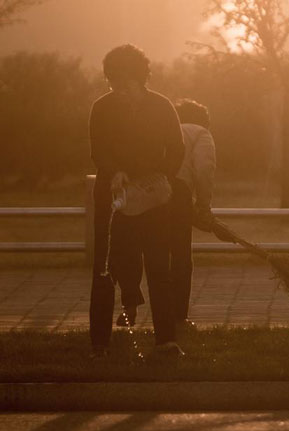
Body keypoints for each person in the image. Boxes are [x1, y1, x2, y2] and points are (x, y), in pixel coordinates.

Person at [88, 44, 185, 358]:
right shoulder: (101, 108)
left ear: (140, 78)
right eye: (113, 81)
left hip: (153, 198)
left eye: (124, 81)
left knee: (159, 266)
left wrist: (163, 179)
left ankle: (166, 340)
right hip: (113, 195)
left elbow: (177, 147)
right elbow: (98, 150)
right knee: (105, 266)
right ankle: (100, 342)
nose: (117, 88)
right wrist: (114, 171)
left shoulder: (162, 106)